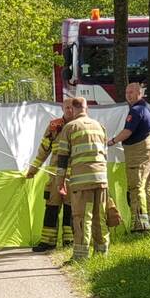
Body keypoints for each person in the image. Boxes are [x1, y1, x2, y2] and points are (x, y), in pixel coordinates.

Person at [54, 97, 109, 261]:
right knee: (100, 217)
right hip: (101, 179)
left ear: (73, 108)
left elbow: (62, 157)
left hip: (82, 181)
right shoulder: (100, 126)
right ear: (86, 108)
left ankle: (80, 256)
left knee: (82, 217)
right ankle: (102, 254)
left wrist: (60, 181)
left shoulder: (70, 127)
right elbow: (105, 153)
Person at [26, 98, 75, 252]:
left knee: (71, 208)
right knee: (51, 207)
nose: (69, 110)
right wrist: (33, 169)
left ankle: (70, 241)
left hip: (73, 176)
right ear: (62, 108)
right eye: (66, 107)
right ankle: (47, 242)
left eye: (72, 107)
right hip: (54, 176)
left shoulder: (80, 126)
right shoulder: (54, 126)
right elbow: (43, 150)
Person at [108, 82, 150, 232]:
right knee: (148, 187)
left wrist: (112, 141)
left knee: (136, 188)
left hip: (138, 154)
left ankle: (140, 225)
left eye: (131, 92)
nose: (128, 95)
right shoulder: (149, 108)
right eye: (127, 92)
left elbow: (127, 132)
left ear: (139, 93)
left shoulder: (135, 111)